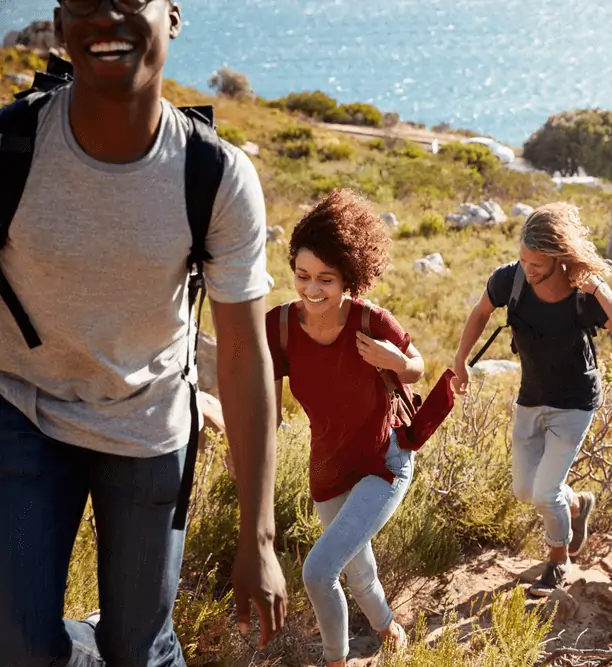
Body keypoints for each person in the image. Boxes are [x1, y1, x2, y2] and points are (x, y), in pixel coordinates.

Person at [0, 1, 286, 664]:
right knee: (18, 644)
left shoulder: (214, 176)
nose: (107, 17)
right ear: (61, 22)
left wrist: (260, 537)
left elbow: (243, 359)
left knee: (140, 650)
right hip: (22, 408)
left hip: (148, 419)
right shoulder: (13, 149)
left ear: (173, 17)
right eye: (86, 1)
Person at [452, 202, 612, 597]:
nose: (528, 268)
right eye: (524, 258)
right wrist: (460, 360)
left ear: (560, 258)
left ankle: (558, 561)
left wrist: (600, 288)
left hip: (574, 403)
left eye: (537, 262)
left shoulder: (582, 292)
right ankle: (575, 504)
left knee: (544, 492)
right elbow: (480, 312)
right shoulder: (511, 280)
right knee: (525, 490)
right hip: (531, 397)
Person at [265, 189, 422, 667]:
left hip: (384, 461)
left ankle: (336, 661)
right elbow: (269, 413)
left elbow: (415, 369)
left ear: (348, 278)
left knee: (318, 571)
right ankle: (390, 629)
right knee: (358, 570)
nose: (312, 289)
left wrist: (396, 360)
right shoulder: (281, 327)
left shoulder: (371, 320)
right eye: (303, 276)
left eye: (326, 279)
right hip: (328, 467)